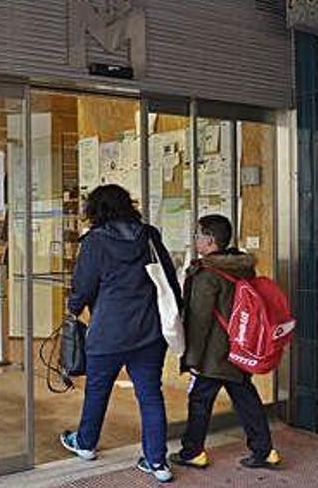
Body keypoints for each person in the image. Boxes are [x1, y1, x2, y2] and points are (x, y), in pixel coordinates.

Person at [59, 184, 181, 483]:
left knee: (97, 391)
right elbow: (168, 280)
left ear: (95, 210)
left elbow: (83, 286)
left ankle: (85, 443)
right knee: (150, 395)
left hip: (108, 332)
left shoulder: (94, 242)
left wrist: (73, 309)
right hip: (149, 331)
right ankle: (157, 462)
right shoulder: (149, 236)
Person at [169, 214, 281, 470]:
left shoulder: (206, 273)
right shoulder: (241, 267)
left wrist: (192, 359)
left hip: (213, 355)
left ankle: (192, 452)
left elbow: (199, 322)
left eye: (198, 235)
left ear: (209, 240)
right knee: (246, 400)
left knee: (199, 401)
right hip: (238, 348)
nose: (196, 240)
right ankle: (265, 450)